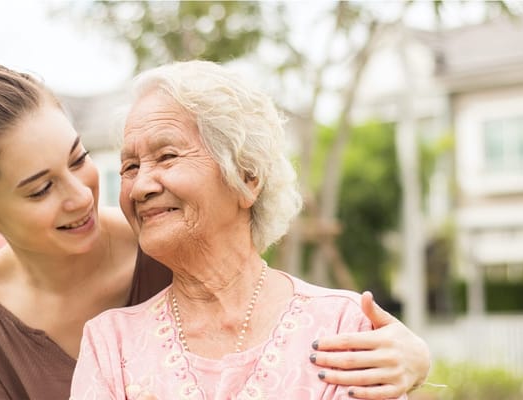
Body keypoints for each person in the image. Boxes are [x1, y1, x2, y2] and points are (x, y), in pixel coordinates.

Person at [0, 55, 429, 400]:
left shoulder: (174, 240)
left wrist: (416, 361)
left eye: (78, 159)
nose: (82, 195)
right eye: (40, 188)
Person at [69, 60, 412, 400]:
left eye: (167, 156)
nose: (140, 185)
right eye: (130, 166)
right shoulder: (111, 345)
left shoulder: (342, 327)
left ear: (248, 177)